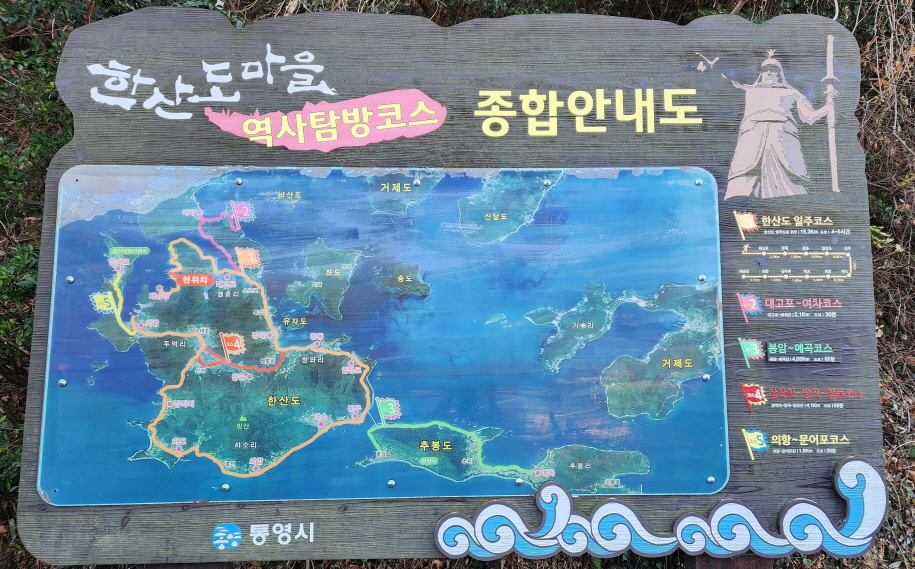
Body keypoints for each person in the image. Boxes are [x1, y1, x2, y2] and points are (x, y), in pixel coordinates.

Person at [724, 50, 836, 199]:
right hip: (751, 137)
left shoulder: (792, 93)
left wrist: (828, 107)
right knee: (741, 179)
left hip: (783, 137)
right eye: (765, 70)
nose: (770, 73)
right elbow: (723, 80)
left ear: (780, 74)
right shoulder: (748, 90)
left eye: (774, 70)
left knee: (792, 181)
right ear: (760, 73)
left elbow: (809, 117)